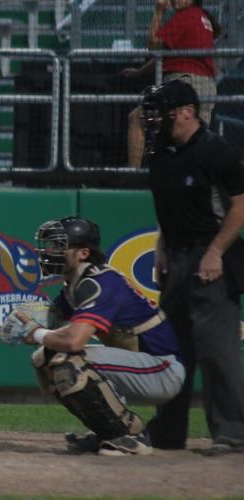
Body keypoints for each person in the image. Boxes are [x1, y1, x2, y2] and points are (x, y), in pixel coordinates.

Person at [3, 216, 185, 456]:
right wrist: (29, 319)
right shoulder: (75, 286)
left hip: (162, 369)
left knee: (68, 360)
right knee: (44, 359)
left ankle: (130, 436)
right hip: (140, 366)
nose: (50, 253)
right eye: (50, 246)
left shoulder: (100, 282)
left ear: (83, 253)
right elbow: (56, 321)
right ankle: (108, 432)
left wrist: (36, 333)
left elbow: (73, 341)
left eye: (59, 247)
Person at [141, 78, 244, 455]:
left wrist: (216, 251)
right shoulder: (162, 154)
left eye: (163, 113)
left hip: (211, 254)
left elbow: (241, 204)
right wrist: (161, 244)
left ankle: (232, 432)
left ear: (187, 112)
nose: (155, 121)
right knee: (171, 348)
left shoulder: (217, 151)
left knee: (217, 349)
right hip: (176, 256)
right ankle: (168, 431)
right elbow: (170, 206)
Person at [123, 0, 219, 168]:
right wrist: (140, 72)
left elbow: (153, 44)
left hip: (184, 84)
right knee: (192, 140)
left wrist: (159, 11)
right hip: (205, 87)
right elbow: (167, 53)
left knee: (138, 118)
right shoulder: (202, 18)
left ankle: (132, 178)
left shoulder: (185, 16)